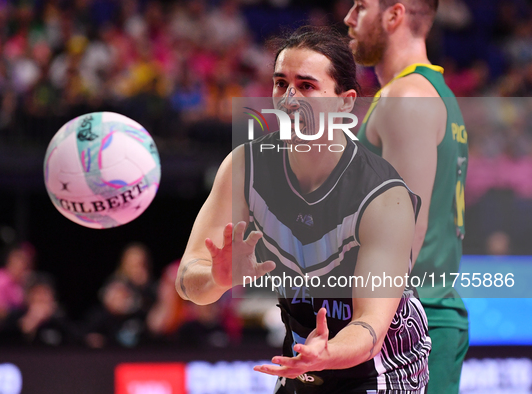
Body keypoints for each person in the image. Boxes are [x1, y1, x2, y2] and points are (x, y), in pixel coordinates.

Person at [176, 25, 430, 393]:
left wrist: (325, 353)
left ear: (345, 101)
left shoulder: (382, 194)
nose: (288, 99)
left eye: (306, 86)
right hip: (304, 359)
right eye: (281, 83)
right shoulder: (244, 167)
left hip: (382, 367)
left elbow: (370, 327)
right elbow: (188, 280)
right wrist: (216, 279)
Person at [344, 1, 469, 393]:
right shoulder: (431, 90)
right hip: (415, 318)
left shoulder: (407, 97)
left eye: (360, 7)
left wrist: (366, 332)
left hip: (408, 325)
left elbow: (405, 234)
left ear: (394, 15)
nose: (348, 17)